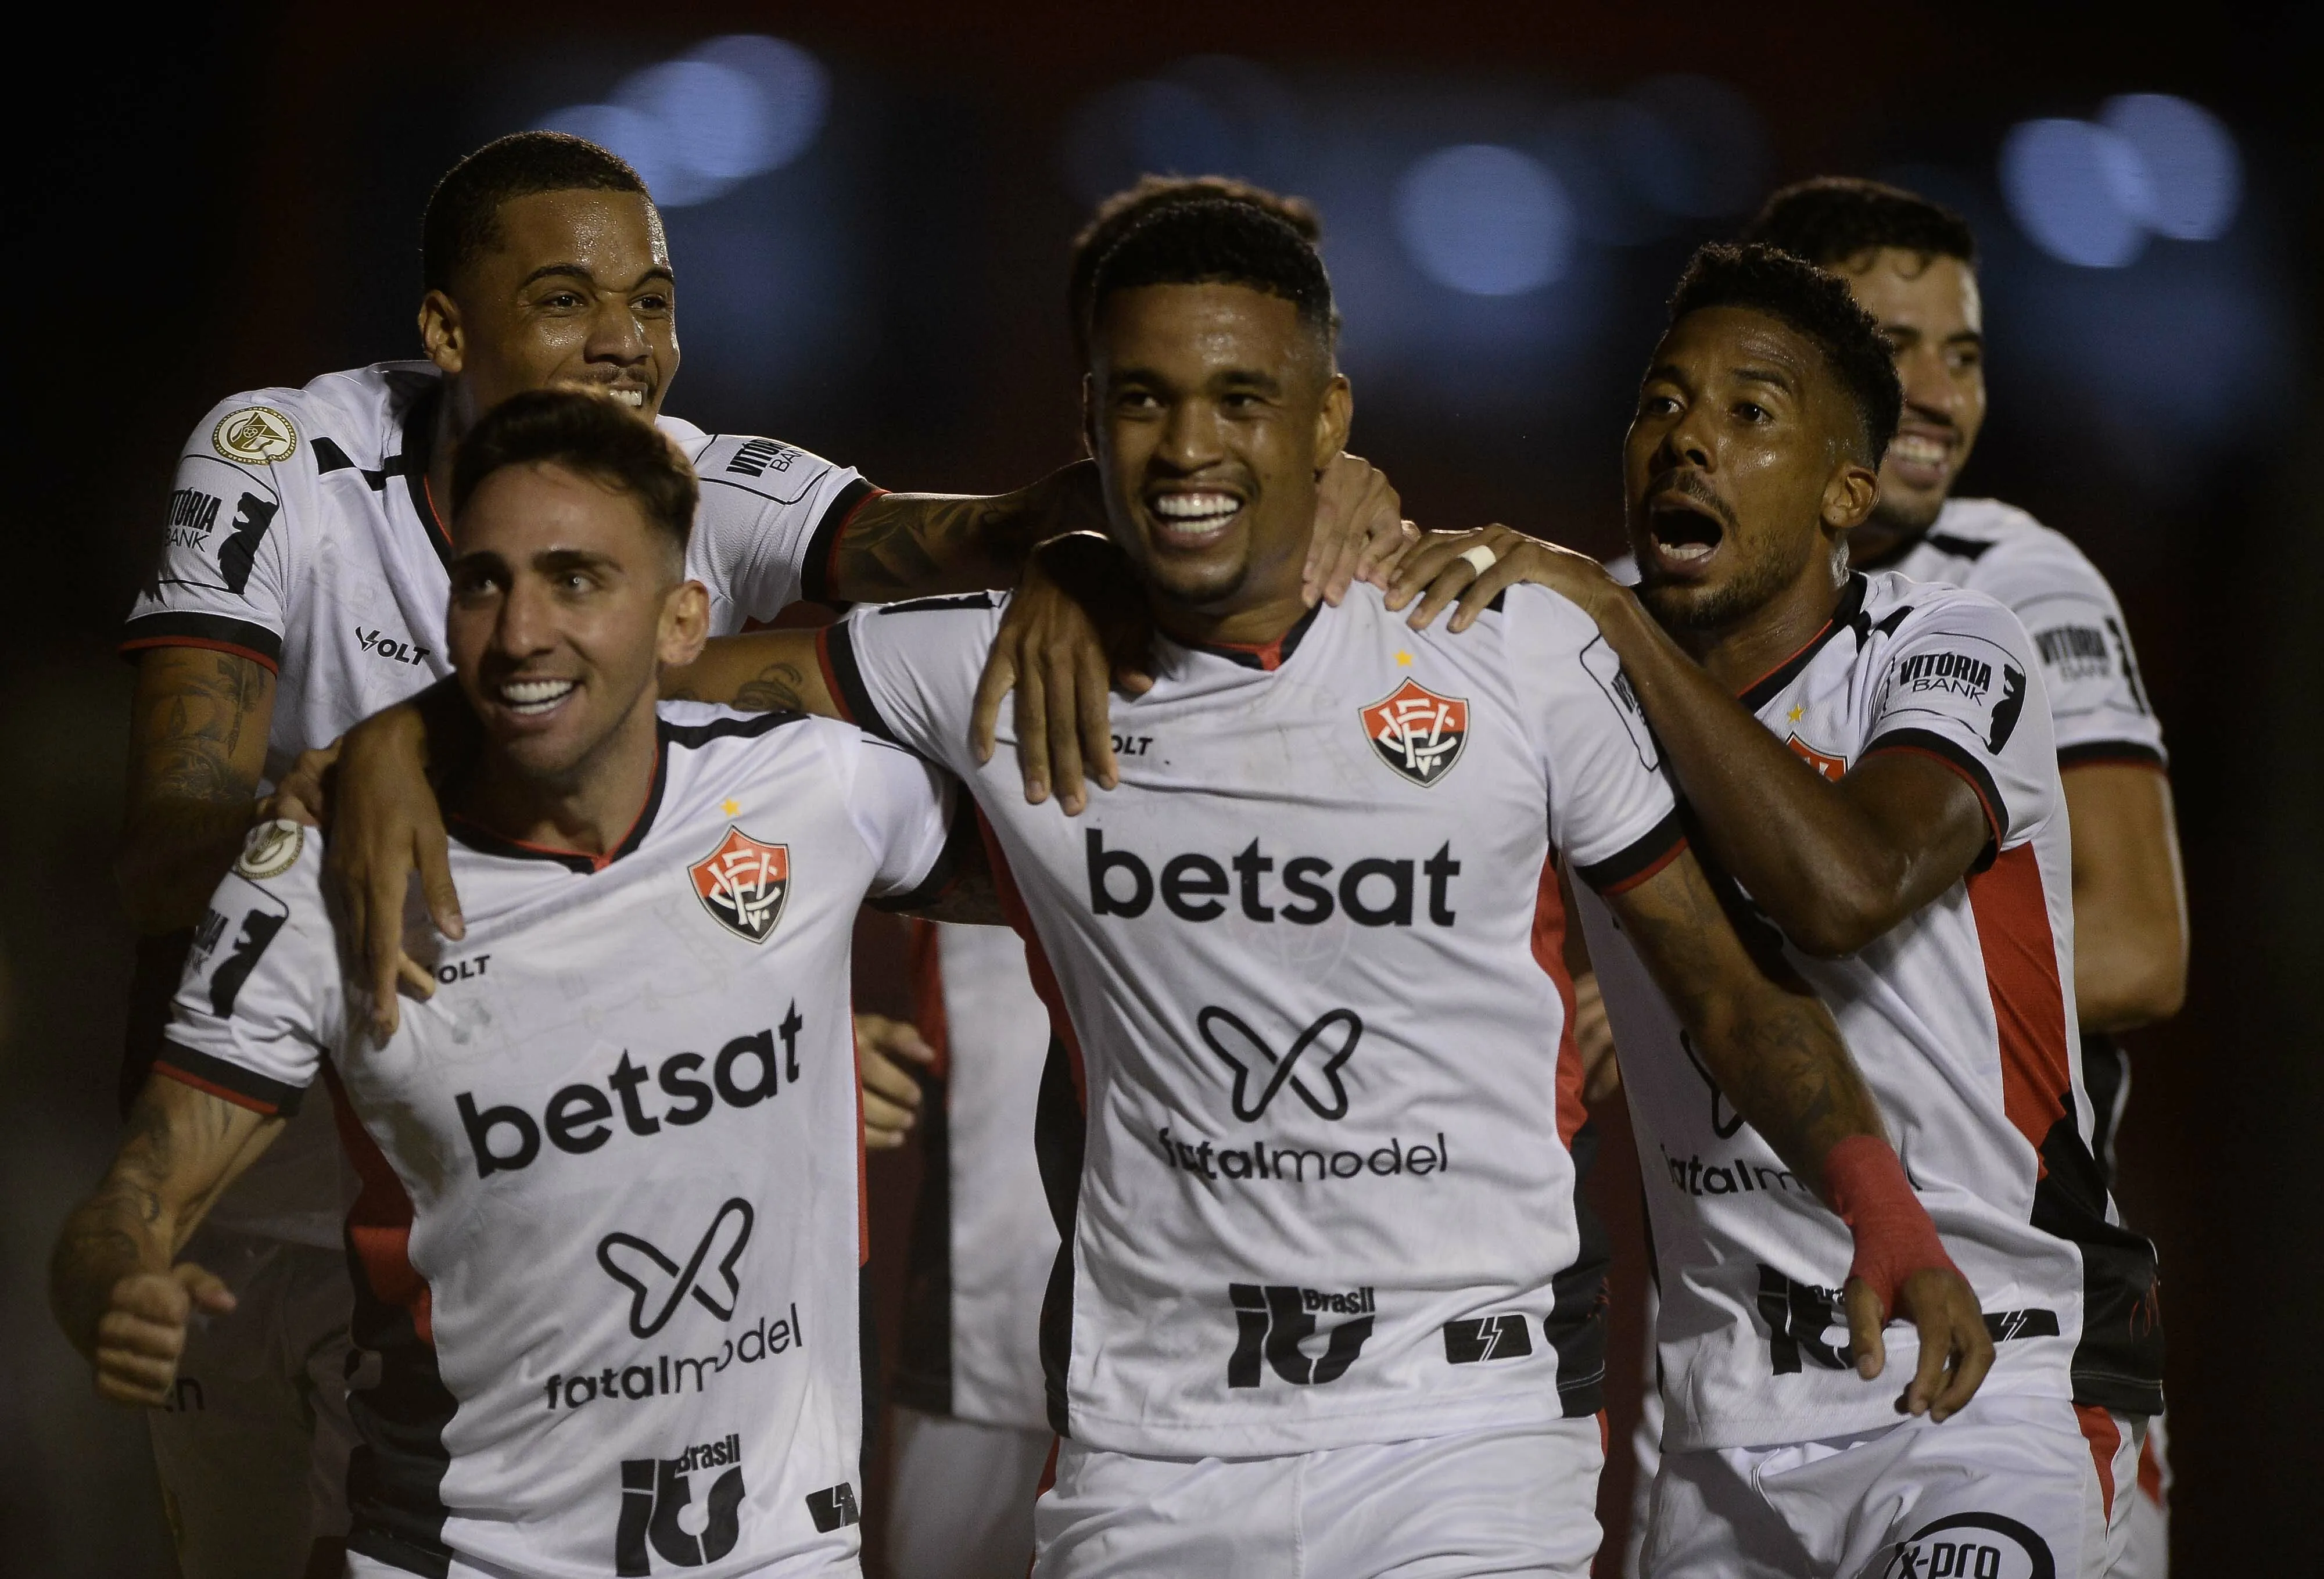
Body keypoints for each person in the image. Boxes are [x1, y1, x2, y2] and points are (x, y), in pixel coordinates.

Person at [322, 197, 1991, 1578]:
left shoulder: (1513, 647)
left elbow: (1718, 978)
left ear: (1329, 421)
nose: (1189, 445)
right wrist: (407, 739)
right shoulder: (978, 668)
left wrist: (1887, 1214)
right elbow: (624, 690)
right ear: (1089, 425)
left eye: (1241, 401)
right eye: (1140, 401)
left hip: (1467, 1439)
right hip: (1149, 1452)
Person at [112, 128, 1398, 1575]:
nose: (623, 344)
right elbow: (165, 851)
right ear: (441, 329)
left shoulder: (690, 484)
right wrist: (367, 786)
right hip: (238, 1208)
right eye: (563, 300)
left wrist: (1265, 497)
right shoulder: (281, 459)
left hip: (479, 1253)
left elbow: (987, 530)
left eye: (652, 303)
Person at [59, 389, 1003, 1575]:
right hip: (461, 1553)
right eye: (483, 583)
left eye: (576, 581)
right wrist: (118, 1284)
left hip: (780, 1551)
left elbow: (1078, 883)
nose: (518, 634)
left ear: (680, 622)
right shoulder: (322, 872)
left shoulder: (813, 791)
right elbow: (133, 1197)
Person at [1390, 242, 2162, 1578]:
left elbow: (1843, 887)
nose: (1686, 440)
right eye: (1661, 404)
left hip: (1975, 1396)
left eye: (1750, 413)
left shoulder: (1948, 645)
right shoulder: (1560, 658)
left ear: (1842, 492)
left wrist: (1614, 626)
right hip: (1719, 1429)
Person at [873, 174, 1371, 1579]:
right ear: (1090, 387)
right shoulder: (989, 635)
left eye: (1254, 375)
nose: (1201, 422)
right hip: (1008, 1311)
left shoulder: (1392, 614)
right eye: (1147, 382)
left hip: (1345, 1370)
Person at [1741, 178, 2186, 1576]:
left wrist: (1761, 970)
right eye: (1892, 345)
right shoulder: (1660, 604)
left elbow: (2136, 949)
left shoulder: (2020, 580)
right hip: (1751, 1358)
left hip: (2022, 1335)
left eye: (1965, 353)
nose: (1933, 394)